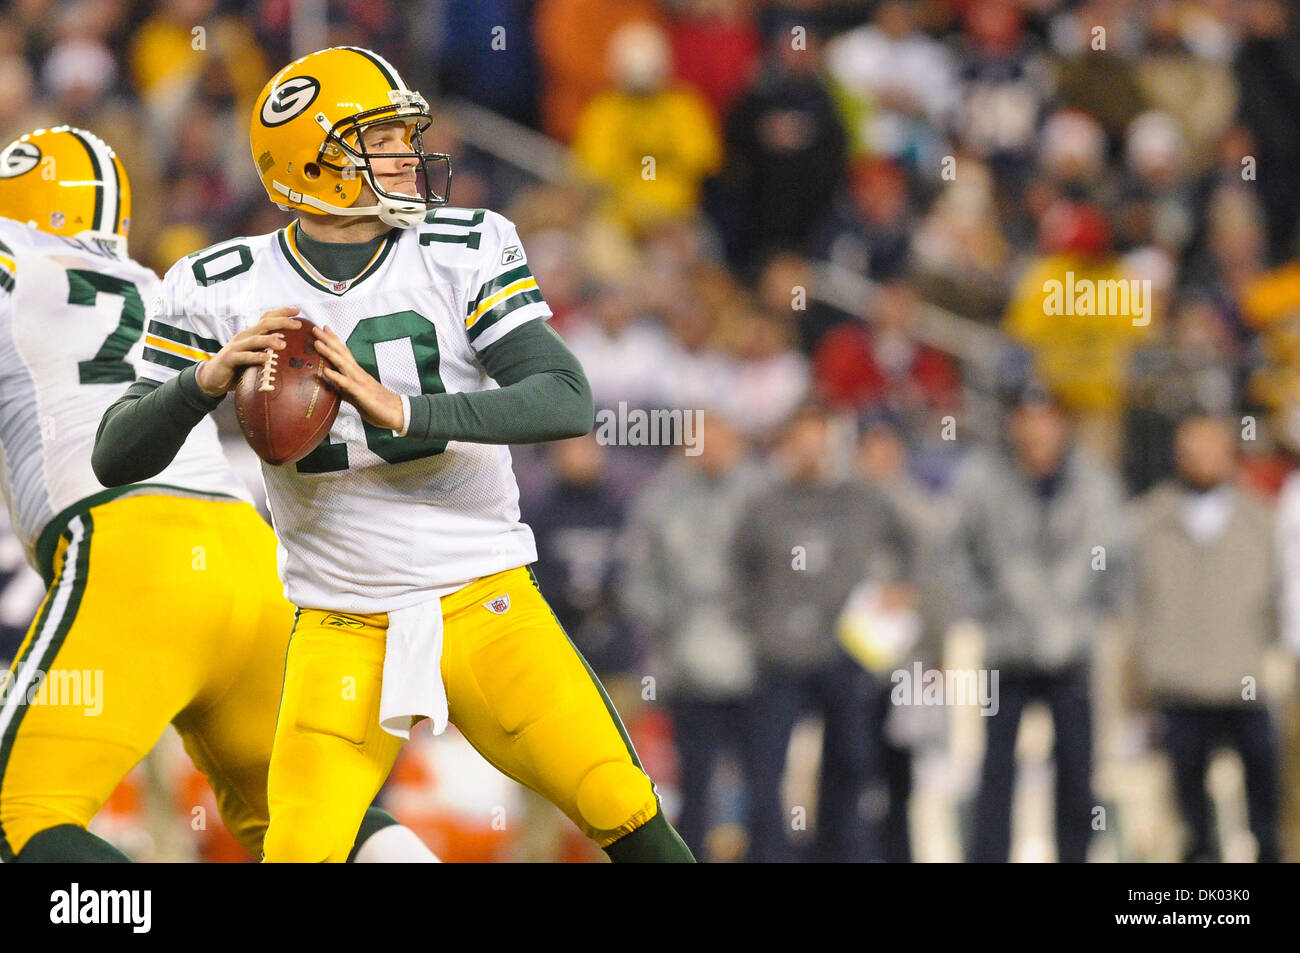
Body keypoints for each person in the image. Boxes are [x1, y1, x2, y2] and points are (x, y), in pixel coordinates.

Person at [93, 47, 692, 863]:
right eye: (380, 139)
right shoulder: (218, 281)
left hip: (482, 600)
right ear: (315, 162)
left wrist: (405, 409)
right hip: (342, 618)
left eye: (405, 135)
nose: (408, 153)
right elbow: (115, 455)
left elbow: (564, 395)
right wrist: (202, 380)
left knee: (621, 805)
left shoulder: (461, 245)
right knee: (300, 851)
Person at [0, 125, 431, 862]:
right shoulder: (148, 281)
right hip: (252, 560)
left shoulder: (13, 259)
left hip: (134, 556)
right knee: (312, 824)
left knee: (20, 812)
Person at [952, 383, 1128, 862]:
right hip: (1007, 647)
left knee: (1076, 769)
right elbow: (958, 552)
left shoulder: (1094, 481)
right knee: (995, 770)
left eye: (1046, 416)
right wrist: (983, 608)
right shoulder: (983, 479)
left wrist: (1092, 615)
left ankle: (1075, 855)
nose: (1036, 429)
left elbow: (1113, 556)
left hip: (1072, 650)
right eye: (1027, 416)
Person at [732, 402, 912, 861]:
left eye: (821, 443)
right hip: (778, 656)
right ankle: (772, 855)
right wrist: (755, 624)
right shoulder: (763, 504)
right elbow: (737, 570)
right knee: (767, 768)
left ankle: (844, 854)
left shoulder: (861, 500)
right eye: (803, 444)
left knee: (851, 765)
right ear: (787, 447)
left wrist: (899, 589)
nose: (812, 454)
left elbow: (914, 545)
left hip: (843, 654)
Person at [1133, 414, 1281, 862]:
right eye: (1192, 449)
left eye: (1211, 447)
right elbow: (1134, 603)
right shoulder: (1148, 519)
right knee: (1192, 821)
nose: (1202, 459)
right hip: (1180, 683)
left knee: (1263, 811)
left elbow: (1277, 597)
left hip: (1244, 680)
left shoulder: (1260, 517)